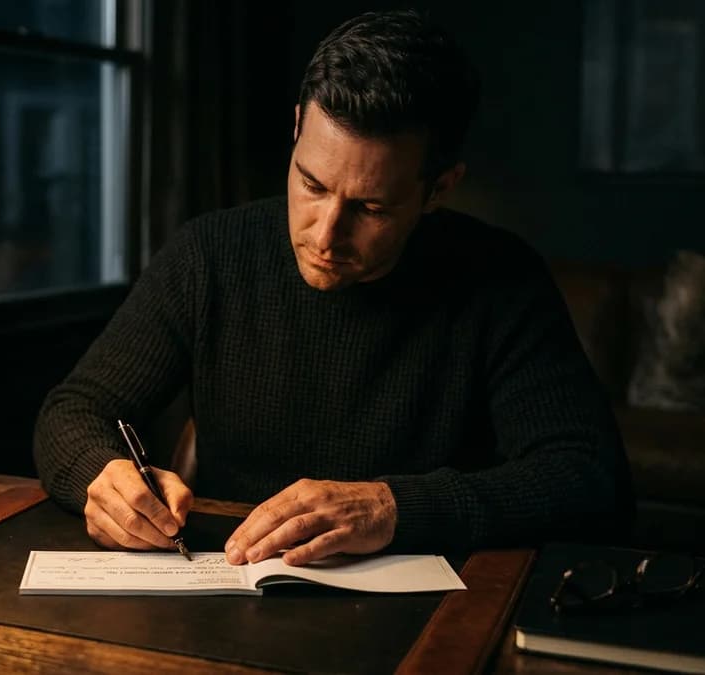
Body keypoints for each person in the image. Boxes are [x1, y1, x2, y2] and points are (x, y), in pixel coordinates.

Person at [32, 9, 633, 567]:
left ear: (439, 188)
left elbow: (588, 478)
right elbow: (75, 410)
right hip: (228, 588)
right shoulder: (209, 253)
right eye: (312, 184)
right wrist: (100, 473)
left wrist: (394, 508)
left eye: (371, 207)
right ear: (297, 127)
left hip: (429, 613)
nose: (325, 234)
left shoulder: (501, 279)